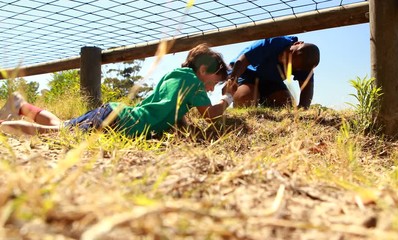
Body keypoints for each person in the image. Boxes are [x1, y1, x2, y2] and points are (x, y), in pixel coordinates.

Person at [0, 43, 237, 138]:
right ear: (204, 69)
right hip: (121, 122)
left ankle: (20, 106)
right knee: (55, 135)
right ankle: (4, 126)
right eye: (214, 82)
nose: (211, 88)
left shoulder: (174, 77)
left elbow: (172, 114)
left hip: (116, 113)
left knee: (61, 125)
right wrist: (227, 97)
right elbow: (210, 115)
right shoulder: (193, 83)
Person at [228, 35, 320, 109]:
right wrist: (232, 81)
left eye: (290, 65)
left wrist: (302, 109)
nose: (286, 59)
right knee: (245, 99)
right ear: (297, 43)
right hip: (247, 74)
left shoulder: (303, 65)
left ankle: (265, 102)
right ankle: (246, 96)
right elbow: (242, 61)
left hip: (272, 82)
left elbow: (307, 88)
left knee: (286, 105)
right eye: (291, 53)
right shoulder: (272, 41)